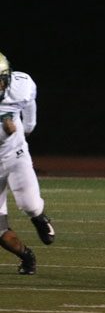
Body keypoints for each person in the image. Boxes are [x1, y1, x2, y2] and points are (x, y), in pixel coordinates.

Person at [0, 53, 56, 275]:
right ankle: (26, 255)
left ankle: (39, 218)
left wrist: (29, 125)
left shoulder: (21, 85)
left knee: (30, 204)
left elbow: (30, 103)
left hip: (15, 155)